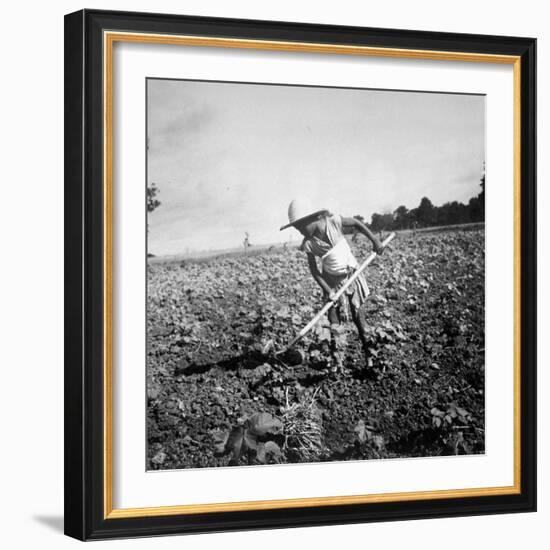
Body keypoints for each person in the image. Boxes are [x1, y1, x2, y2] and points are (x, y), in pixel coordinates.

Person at [280, 198, 384, 370]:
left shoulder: (333, 223)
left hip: (351, 274)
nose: (299, 231)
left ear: (313, 219)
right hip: (330, 282)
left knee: (359, 317)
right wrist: (328, 290)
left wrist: (375, 241)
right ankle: (338, 362)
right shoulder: (308, 244)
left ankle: (370, 356)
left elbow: (357, 223)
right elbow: (315, 271)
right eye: (296, 228)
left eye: (300, 226)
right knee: (333, 321)